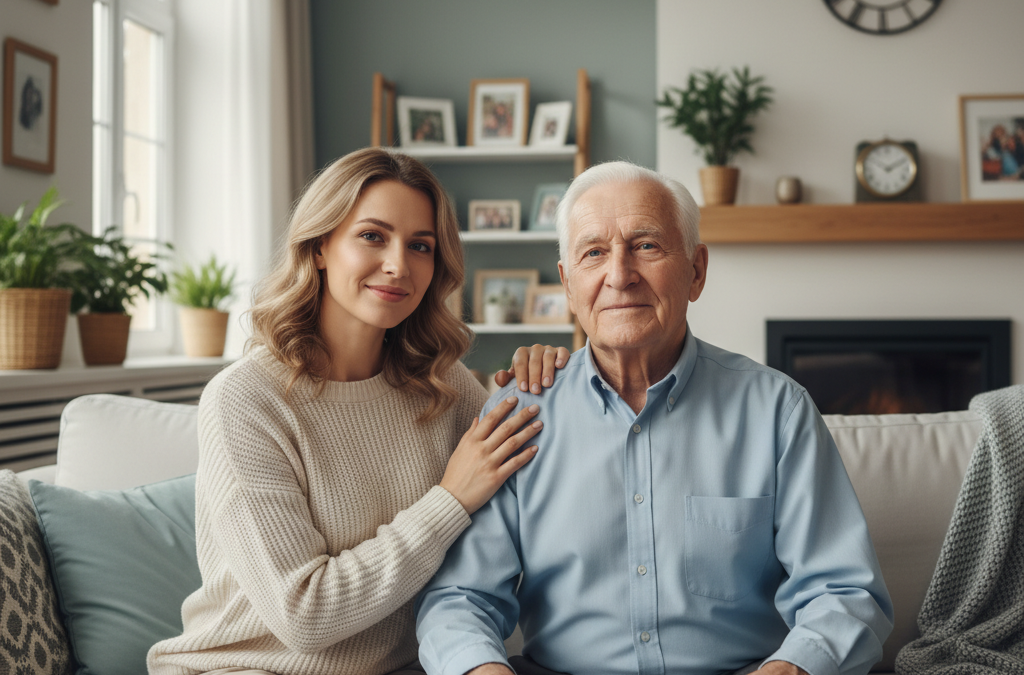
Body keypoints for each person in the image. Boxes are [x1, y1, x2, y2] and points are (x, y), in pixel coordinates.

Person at [415, 161, 894, 675]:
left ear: (696, 270)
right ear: (568, 283)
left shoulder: (778, 410)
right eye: (594, 252)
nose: (619, 275)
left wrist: (793, 669)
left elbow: (844, 591)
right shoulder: (519, 413)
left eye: (646, 245)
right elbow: (459, 599)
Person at [147, 147, 569, 675]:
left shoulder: (444, 386)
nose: (398, 264)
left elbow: (533, 496)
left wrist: (552, 381)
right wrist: (450, 500)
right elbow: (304, 615)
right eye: (373, 236)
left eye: (420, 246)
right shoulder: (245, 400)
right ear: (321, 245)